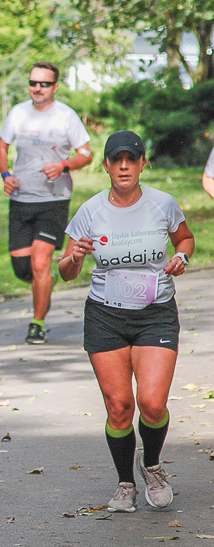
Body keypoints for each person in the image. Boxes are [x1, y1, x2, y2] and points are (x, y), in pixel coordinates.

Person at [59, 130, 194, 513]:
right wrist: (76, 258)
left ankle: (151, 464)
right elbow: (66, 273)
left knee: (151, 403)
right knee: (119, 405)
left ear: (141, 165)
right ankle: (125, 482)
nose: (123, 166)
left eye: (130, 159)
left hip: (155, 313)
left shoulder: (162, 203)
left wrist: (181, 258)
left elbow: (185, 238)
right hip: (106, 315)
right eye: (116, 160)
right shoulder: (90, 212)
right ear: (105, 166)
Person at [0, 62, 94, 344]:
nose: (37, 88)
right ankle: (43, 282)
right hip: (21, 199)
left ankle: (37, 324)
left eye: (44, 84)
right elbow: (1, 147)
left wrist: (63, 165)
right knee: (24, 269)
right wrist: (6, 175)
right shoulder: (18, 113)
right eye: (33, 83)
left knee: (40, 262)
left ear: (55, 86)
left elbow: (86, 154)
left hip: (54, 199)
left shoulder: (66, 116)